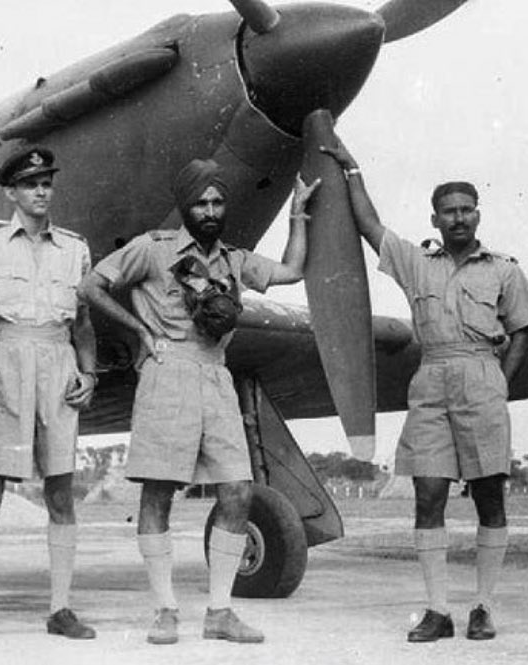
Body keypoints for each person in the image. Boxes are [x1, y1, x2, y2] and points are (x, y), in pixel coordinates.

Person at [78, 158, 319, 645]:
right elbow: (91, 286)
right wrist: (139, 330)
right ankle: (165, 609)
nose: (209, 210)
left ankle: (220, 612)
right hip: (167, 375)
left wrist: (297, 215)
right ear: (185, 207)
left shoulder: (234, 260)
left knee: (237, 490)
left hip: (216, 376)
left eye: (216, 202)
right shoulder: (152, 248)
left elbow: (292, 270)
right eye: (200, 203)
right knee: (159, 493)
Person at [320, 140, 528, 642]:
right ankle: (438, 610)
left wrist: (500, 382)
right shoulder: (416, 263)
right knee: (428, 494)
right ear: (435, 219)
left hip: (482, 377)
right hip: (431, 380)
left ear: (478, 214)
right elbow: (369, 226)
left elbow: (526, 329)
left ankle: (484, 607)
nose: (459, 218)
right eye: (449, 211)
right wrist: (350, 167)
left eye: (467, 210)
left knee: (490, 496)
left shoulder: (504, 269)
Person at [0, 147, 98, 643]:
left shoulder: (75, 248)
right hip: (8, 359)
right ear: (11, 191)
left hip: (58, 362)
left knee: (60, 491)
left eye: (46, 183)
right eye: (30, 184)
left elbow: (82, 320)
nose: (41, 191)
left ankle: (61, 609)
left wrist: (90, 372)